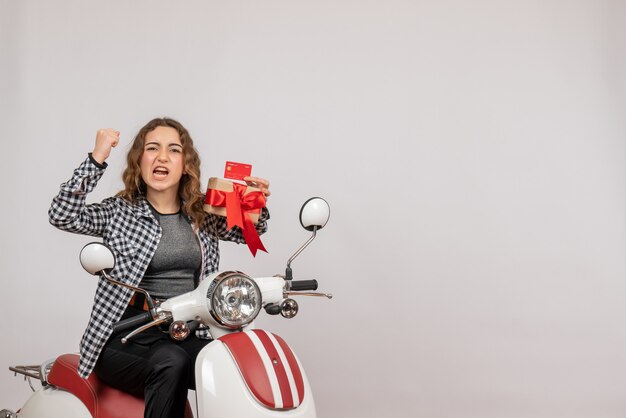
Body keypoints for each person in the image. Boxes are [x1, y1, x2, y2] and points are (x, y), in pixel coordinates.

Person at [48, 117, 271, 418]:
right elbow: (63, 214)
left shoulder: (201, 214)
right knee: (171, 360)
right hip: (127, 336)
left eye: (174, 150)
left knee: (232, 362)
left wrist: (254, 203)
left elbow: (250, 232)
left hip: (185, 332)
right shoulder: (119, 212)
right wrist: (96, 158)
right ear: (139, 160)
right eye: (152, 148)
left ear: (185, 164)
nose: (163, 156)